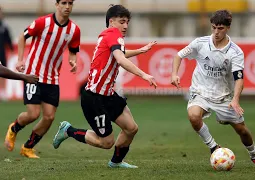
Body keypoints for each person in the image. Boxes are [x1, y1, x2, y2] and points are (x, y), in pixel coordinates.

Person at [52, 4, 157, 168]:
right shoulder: (113, 34)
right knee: (106, 142)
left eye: (127, 22)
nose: (126, 26)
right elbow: (121, 60)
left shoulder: (110, 36)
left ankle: (116, 162)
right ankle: (68, 130)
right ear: (111, 21)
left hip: (108, 95)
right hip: (94, 98)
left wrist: (140, 50)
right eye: (122, 22)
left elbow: (119, 53)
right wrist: (144, 75)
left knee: (131, 128)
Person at [171, 10, 255, 169]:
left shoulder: (235, 52)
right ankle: (214, 147)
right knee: (193, 116)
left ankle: (254, 155)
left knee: (242, 130)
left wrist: (235, 99)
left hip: (224, 97)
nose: (216, 32)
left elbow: (239, 78)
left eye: (220, 28)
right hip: (201, 92)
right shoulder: (200, 43)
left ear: (228, 28)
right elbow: (178, 55)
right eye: (214, 27)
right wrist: (174, 74)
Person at [4, 0, 81, 158]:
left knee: (49, 117)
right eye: (64, 3)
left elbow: (73, 50)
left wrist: (72, 60)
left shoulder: (74, 30)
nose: (67, 6)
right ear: (57, 4)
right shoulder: (43, 22)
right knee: (33, 114)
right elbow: (22, 36)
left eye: (70, 3)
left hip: (53, 78)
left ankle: (28, 147)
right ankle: (13, 128)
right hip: (34, 75)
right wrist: (20, 60)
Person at [0, 6, 15, 98]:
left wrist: (12, 50)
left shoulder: (4, 26)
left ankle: (3, 92)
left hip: (1, 52)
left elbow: (8, 39)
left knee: (2, 71)